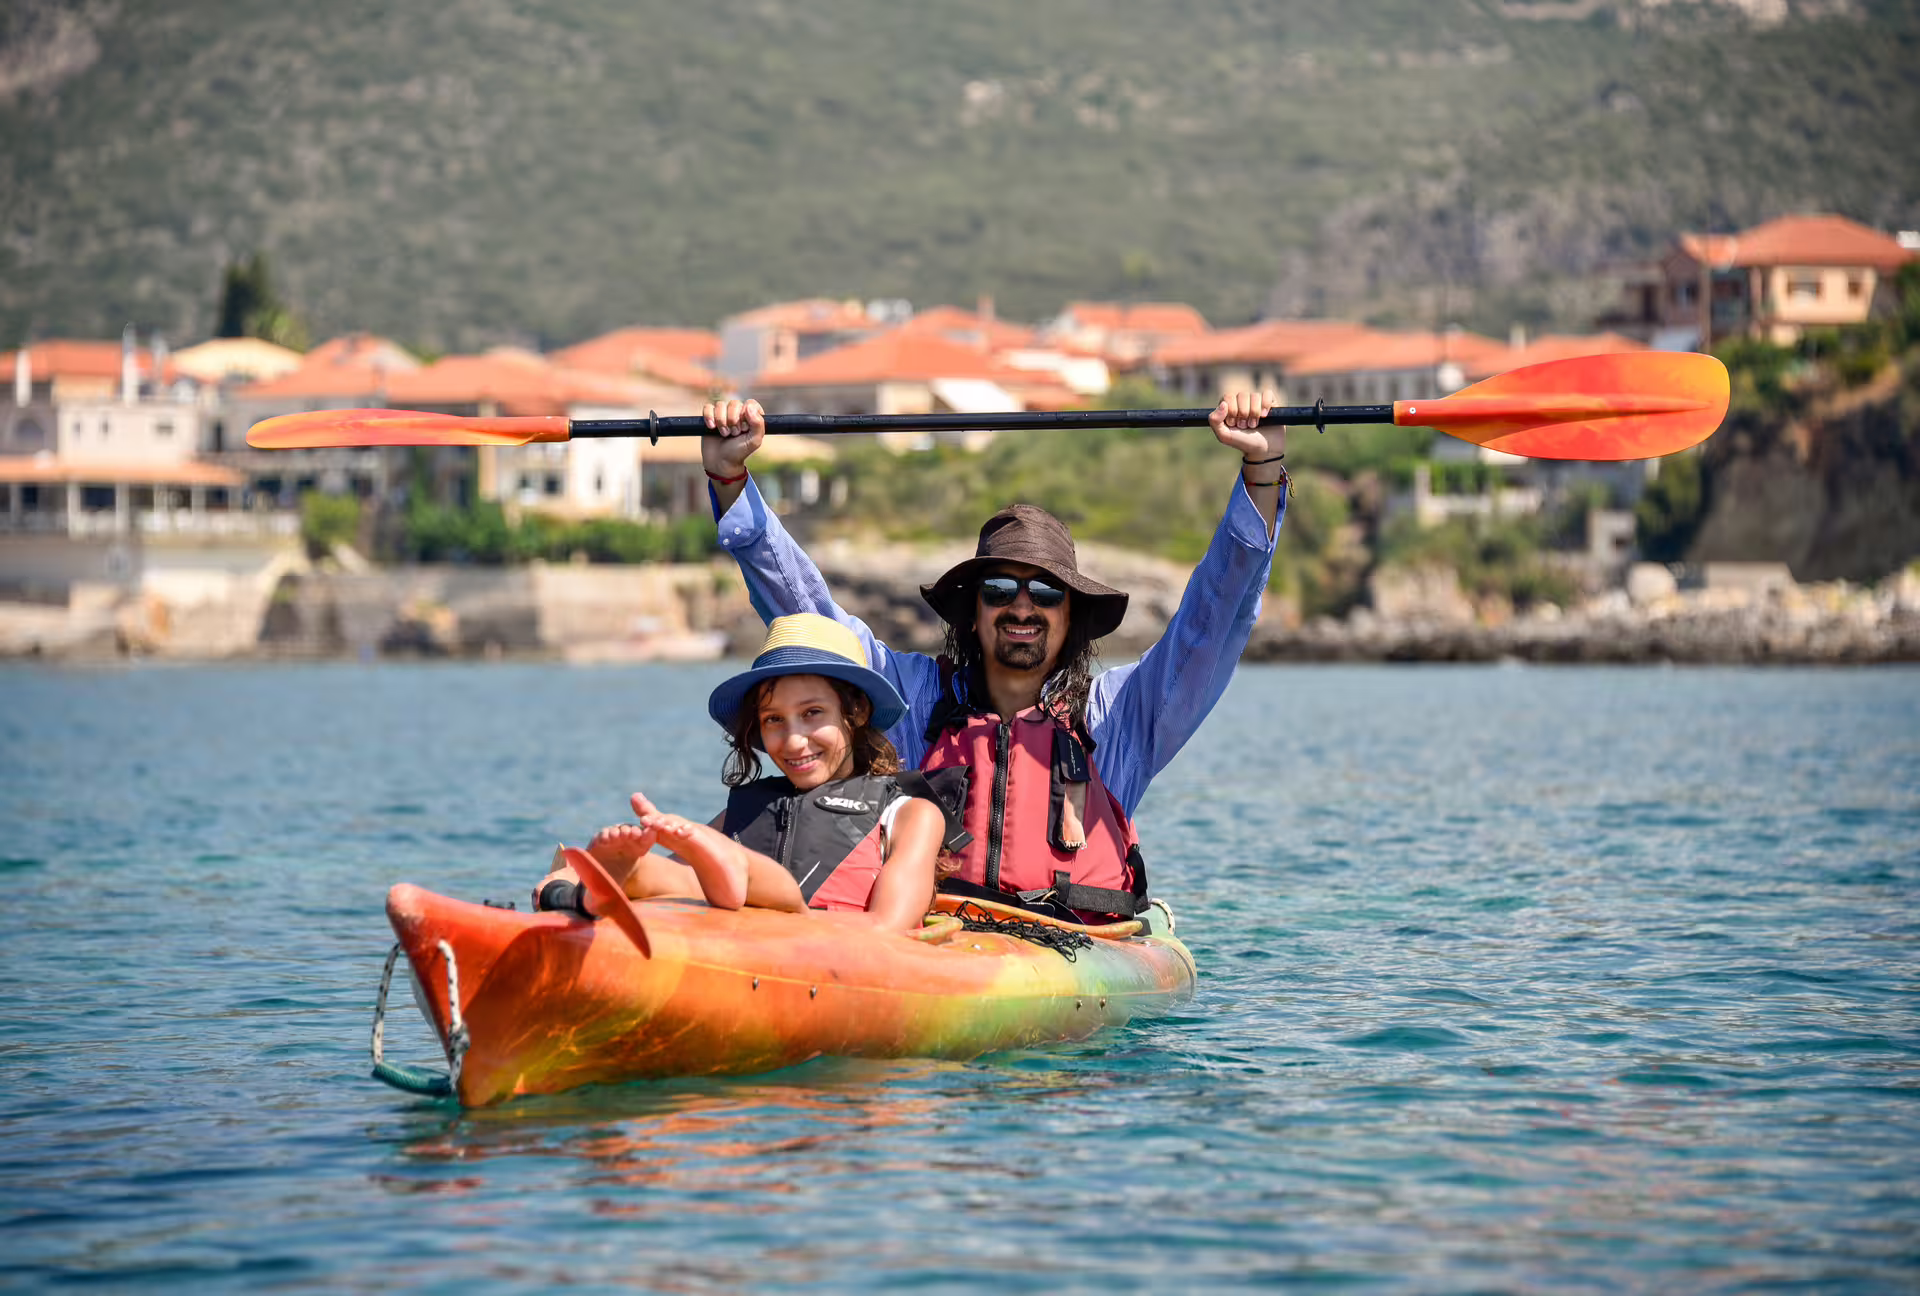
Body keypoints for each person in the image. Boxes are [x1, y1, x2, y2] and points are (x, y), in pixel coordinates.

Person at [696, 390, 1287, 924]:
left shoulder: (1120, 717)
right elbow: (807, 618)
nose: (1022, 608)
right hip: (942, 941)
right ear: (972, 612)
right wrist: (732, 484)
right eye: (999, 591)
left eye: (1047, 592)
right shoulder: (913, 701)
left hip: (1070, 948)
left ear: (1071, 615)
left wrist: (1260, 474)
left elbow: (1212, 622)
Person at [535, 614, 963, 934]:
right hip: (741, 936)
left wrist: (793, 928)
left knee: (769, 888)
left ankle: (732, 873)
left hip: (825, 948)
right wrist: (560, 884)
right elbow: (679, 881)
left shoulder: (909, 815)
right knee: (671, 876)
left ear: (856, 712)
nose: (794, 741)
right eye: (774, 720)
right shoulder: (746, 812)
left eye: (813, 714)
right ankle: (609, 879)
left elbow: (892, 927)